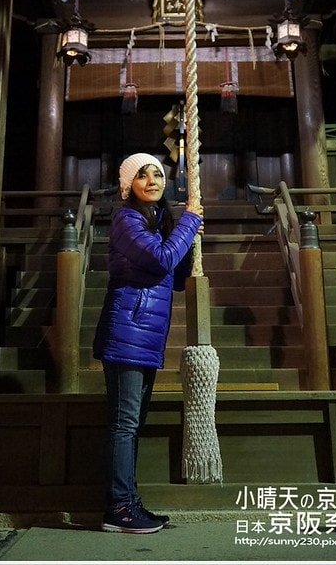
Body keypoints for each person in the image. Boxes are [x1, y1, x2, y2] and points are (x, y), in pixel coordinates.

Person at [93, 152, 203, 534]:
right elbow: (159, 261)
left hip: (143, 334)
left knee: (133, 423)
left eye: (158, 173)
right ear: (129, 185)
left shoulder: (156, 223)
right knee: (125, 424)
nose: (153, 180)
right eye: (142, 175)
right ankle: (119, 508)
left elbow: (173, 275)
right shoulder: (126, 220)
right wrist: (189, 224)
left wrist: (186, 238)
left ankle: (126, 502)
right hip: (127, 330)